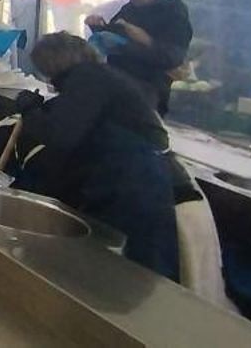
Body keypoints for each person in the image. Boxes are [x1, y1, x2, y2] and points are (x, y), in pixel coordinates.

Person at [14, 32, 181, 279]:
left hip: (130, 184)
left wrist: (31, 111)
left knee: (124, 271)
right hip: (136, 180)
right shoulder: (103, 77)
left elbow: (61, 136)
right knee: (132, 274)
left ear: (54, 62)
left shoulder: (87, 77)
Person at [84, 0, 192, 114]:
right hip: (117, 83)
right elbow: (114, 34)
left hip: (149, 91)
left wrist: (145, 41)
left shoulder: (175, 16)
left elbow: (172, 58)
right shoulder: (130, 8)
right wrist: (98, 27)